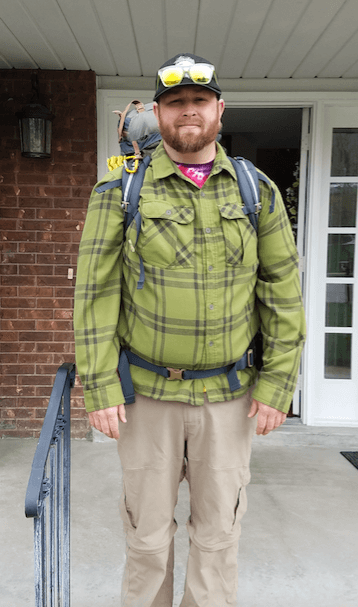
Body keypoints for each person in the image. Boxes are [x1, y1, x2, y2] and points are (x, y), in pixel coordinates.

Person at [74, 53, 306, 607]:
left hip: (227, 400)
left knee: (219, 537)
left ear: (219, 110)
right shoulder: (120, 192)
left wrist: (278, 385)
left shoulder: (257, 191)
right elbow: (95, 294)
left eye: (199, 101)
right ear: (157, 114)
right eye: (175, 103)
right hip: (146, 398)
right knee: (148, 540)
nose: (188, 113)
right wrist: (99, 387)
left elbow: (281, 291)